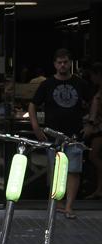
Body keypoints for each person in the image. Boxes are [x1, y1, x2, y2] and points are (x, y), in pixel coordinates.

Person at [29, 48, 91, 219]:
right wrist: (36, 127)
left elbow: (94, 101)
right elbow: (33, 105)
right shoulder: (47, 84)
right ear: (55, 64)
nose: (63, 65)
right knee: (56, 170)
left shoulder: (80, 84)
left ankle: (69, 206)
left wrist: (91, 123)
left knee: (74, 171)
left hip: (74, 135)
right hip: (53, 135)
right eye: (59, 62)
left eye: (65, 62)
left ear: (70, 63)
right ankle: (58, 203)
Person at [83, 63, 102, 199]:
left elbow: (96, 110)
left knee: (93, 156)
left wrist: (91, 122)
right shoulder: (98, 89)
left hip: (98, 127)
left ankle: (99, 188)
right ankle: (99, 189)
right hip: (97, 126)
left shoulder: (99, 92)